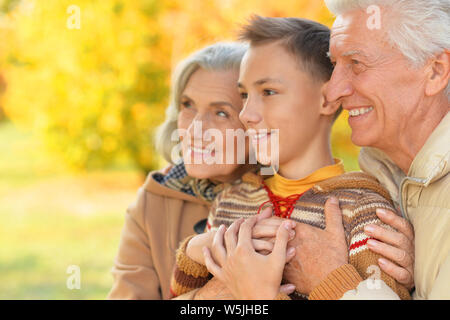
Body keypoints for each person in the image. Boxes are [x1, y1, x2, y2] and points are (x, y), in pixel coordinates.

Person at [169, 16, 412, 300]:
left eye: (269, 92)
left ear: (327, 100)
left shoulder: (364, 211)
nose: (246, 114)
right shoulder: (232, 200)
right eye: (245, 95)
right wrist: (194, 252)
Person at [281, 0, 450, 300]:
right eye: (335, 66)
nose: (333, 91)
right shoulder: (374, 185)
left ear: (435, 72)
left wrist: (335, 283)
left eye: (356, 64)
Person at [107, 42, 253, 299]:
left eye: (221, 112)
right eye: (188, 105)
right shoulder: (154, 200)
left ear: (256, 122)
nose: (195, 128)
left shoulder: (290, 197)